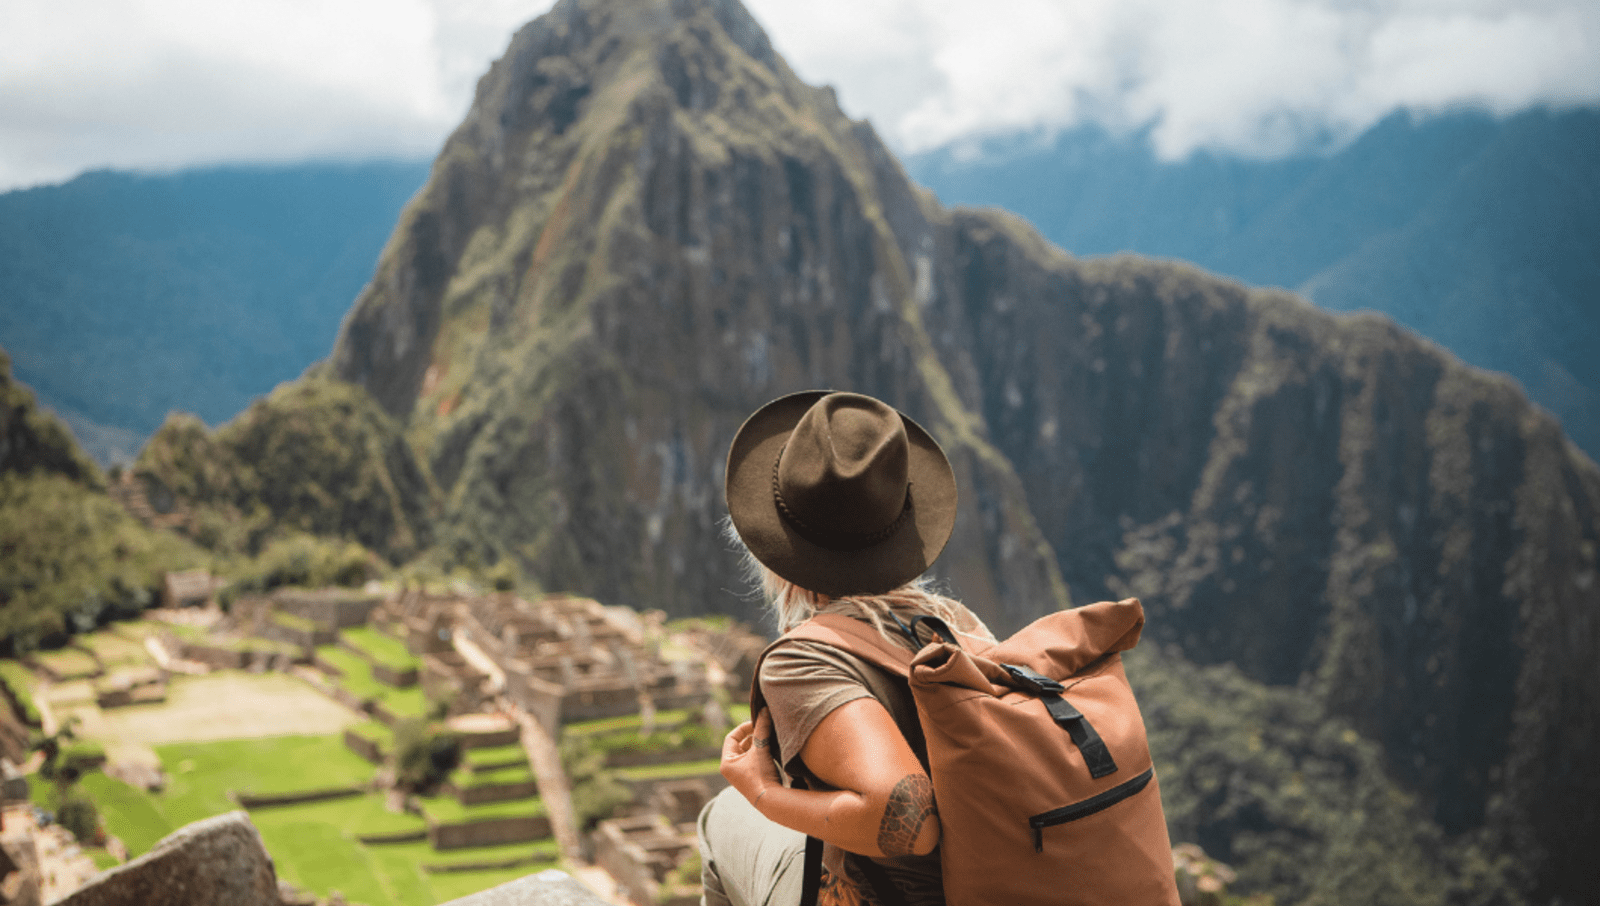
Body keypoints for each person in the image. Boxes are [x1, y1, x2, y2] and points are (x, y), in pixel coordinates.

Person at [699, 390, 993, 906]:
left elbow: (909, 820)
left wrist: (763, 793)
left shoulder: (806, 657)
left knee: (720, 817)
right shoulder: (958, 624)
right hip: (995, 884)